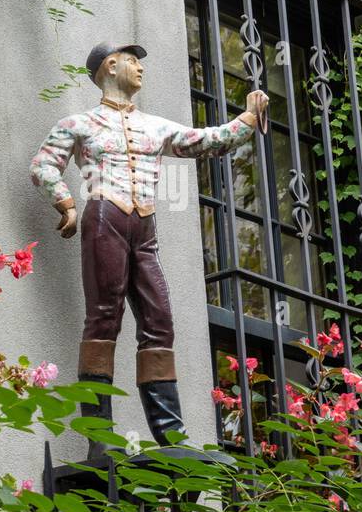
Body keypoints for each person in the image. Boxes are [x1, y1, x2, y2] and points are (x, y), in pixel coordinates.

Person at [30, 41, 268, 460]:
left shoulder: (154, 126)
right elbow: (44, 164)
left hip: (145, 226)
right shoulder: (80, 123)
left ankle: (170, 435)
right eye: (133, 61)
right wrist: (66, 203)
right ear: (110, 66)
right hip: (104, 216)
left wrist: (248, 117)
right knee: (103, 320)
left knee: (160, 320)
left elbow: (206, 141)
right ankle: (98, 437)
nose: (140, 69)